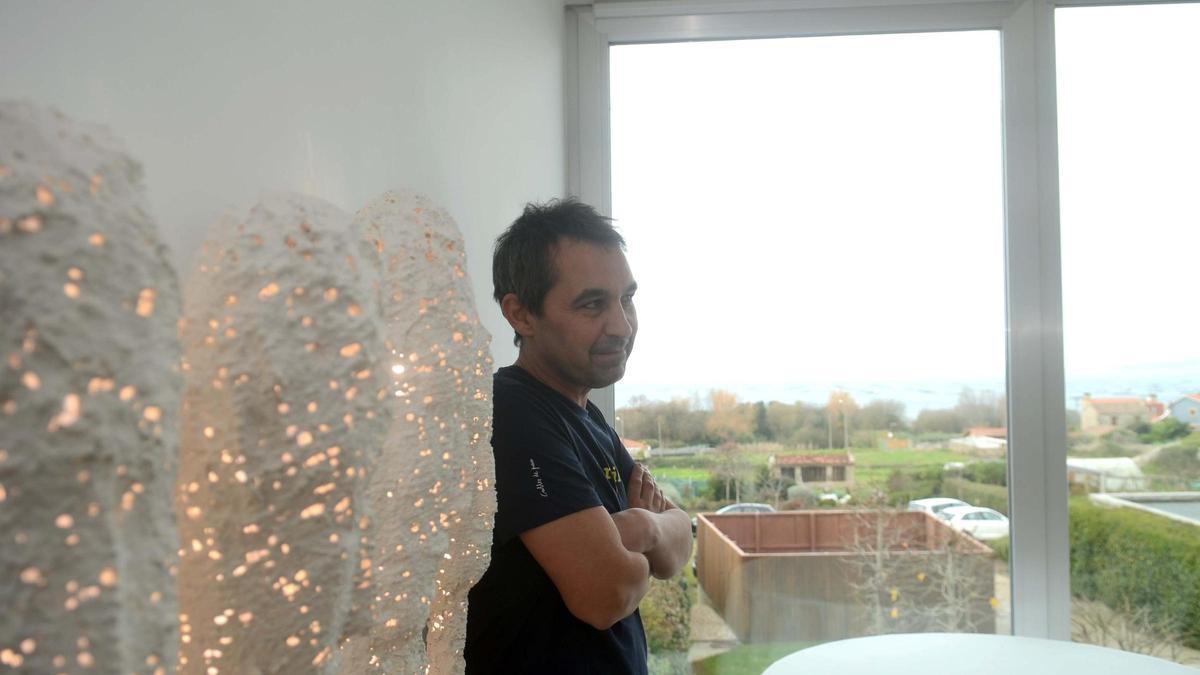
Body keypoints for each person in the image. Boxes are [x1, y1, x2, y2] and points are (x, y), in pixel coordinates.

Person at [464, 198, 693, 674]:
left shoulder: (585, 418)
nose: (621, 325)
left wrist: (641, 527)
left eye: (626, 298)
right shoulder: (511, 412)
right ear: (521, 315)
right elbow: (605, 593)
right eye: (592, 304)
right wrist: (639, 539)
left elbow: (680, 545)